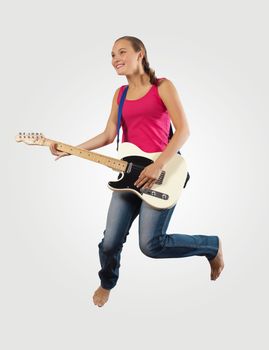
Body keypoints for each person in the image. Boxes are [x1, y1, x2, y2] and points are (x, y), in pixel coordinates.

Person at [49, 36, 224, 308]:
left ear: (140, 54)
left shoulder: (162, 87)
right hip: (129, 176)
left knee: (151, 246)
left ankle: (211, 246)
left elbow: (183, 131)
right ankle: (107, 282)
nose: (115, 59)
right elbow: (109, 134)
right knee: (109, 243)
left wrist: (158, 165)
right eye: (111, 55)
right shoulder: (119, 95)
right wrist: (69, 149)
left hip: (162, 174)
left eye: (121, 52)